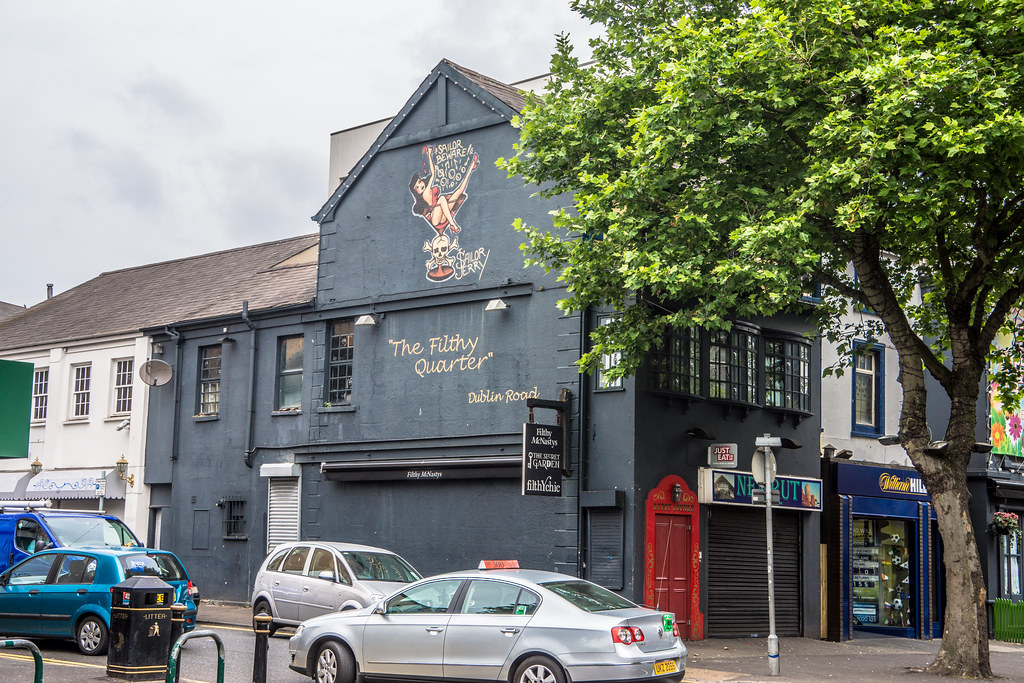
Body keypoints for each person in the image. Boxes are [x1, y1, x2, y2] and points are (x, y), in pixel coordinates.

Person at [409, 146, 478, 235]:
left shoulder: (427, 190)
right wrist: (429, 154)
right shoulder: (425, 194)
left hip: (442, 214)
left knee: (459, 191)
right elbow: (433, 174)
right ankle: (453, 224)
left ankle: (472, 166)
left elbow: (433, 173)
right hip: (435, 219)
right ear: (416, 192)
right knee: (441, 198)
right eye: (417, 187)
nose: (420, 185)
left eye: (419, 182)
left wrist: (429, 154)